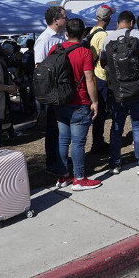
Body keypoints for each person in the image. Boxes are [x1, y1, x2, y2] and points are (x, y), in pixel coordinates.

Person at [100, 10, 139, 177]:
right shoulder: (136, 35)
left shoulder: (107, 39)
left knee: (116, 127)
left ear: (117, 22)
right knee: (138, 127)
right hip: (137, 90)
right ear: (132, 22)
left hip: (117, 91)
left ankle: (115, 164)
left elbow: (102, 61)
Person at [49, 18, 102, 190]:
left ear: (66, 33)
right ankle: (79, 178)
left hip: (60, 102)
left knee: (63, 140)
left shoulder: (54, 50)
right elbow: (89, 79)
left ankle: (63, 176)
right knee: (78, 143)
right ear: (83, 34)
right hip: (79, 102)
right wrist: (95, 101)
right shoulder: (84, 52)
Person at [34, 6, 68, 175]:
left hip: (63, 89)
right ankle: (52, 161)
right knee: (53, 128)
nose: (67, 19)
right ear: (56, 20)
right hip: (53, 91)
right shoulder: (44, 39)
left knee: (63, 127)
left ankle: (61, 157)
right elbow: (39, 68)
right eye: (65, 17)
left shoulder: (62, 36)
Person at [86, 5, 113, 155]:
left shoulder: (93, 31)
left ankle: (97, 141)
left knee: (97, 112)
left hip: (93, 75)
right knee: (100, 112)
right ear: (108, 18)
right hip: (101, 76)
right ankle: (98, 143)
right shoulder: (103, 35)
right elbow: (104, 58)